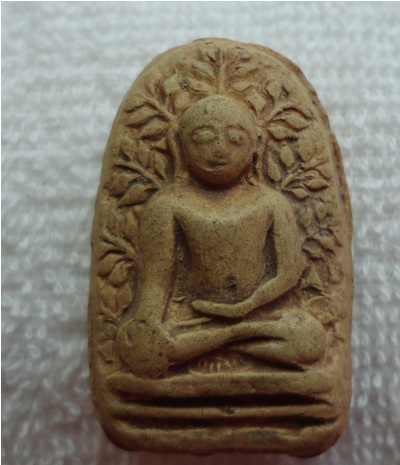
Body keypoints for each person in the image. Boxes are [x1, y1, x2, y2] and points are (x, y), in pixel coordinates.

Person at [117, 95, 326, 379]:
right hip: (194, 317)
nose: (219, 149)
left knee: (311, 340)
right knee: (142, 351)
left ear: (256, 146)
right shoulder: (168, 204)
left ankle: (228, 341)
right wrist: (147, 321)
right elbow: (156, 279)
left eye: (236, 139)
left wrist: (247, 306)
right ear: (179, 145)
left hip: (259, 316)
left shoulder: (271, 203)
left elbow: (289, 273)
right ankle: (235, 342)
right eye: (203, 138)